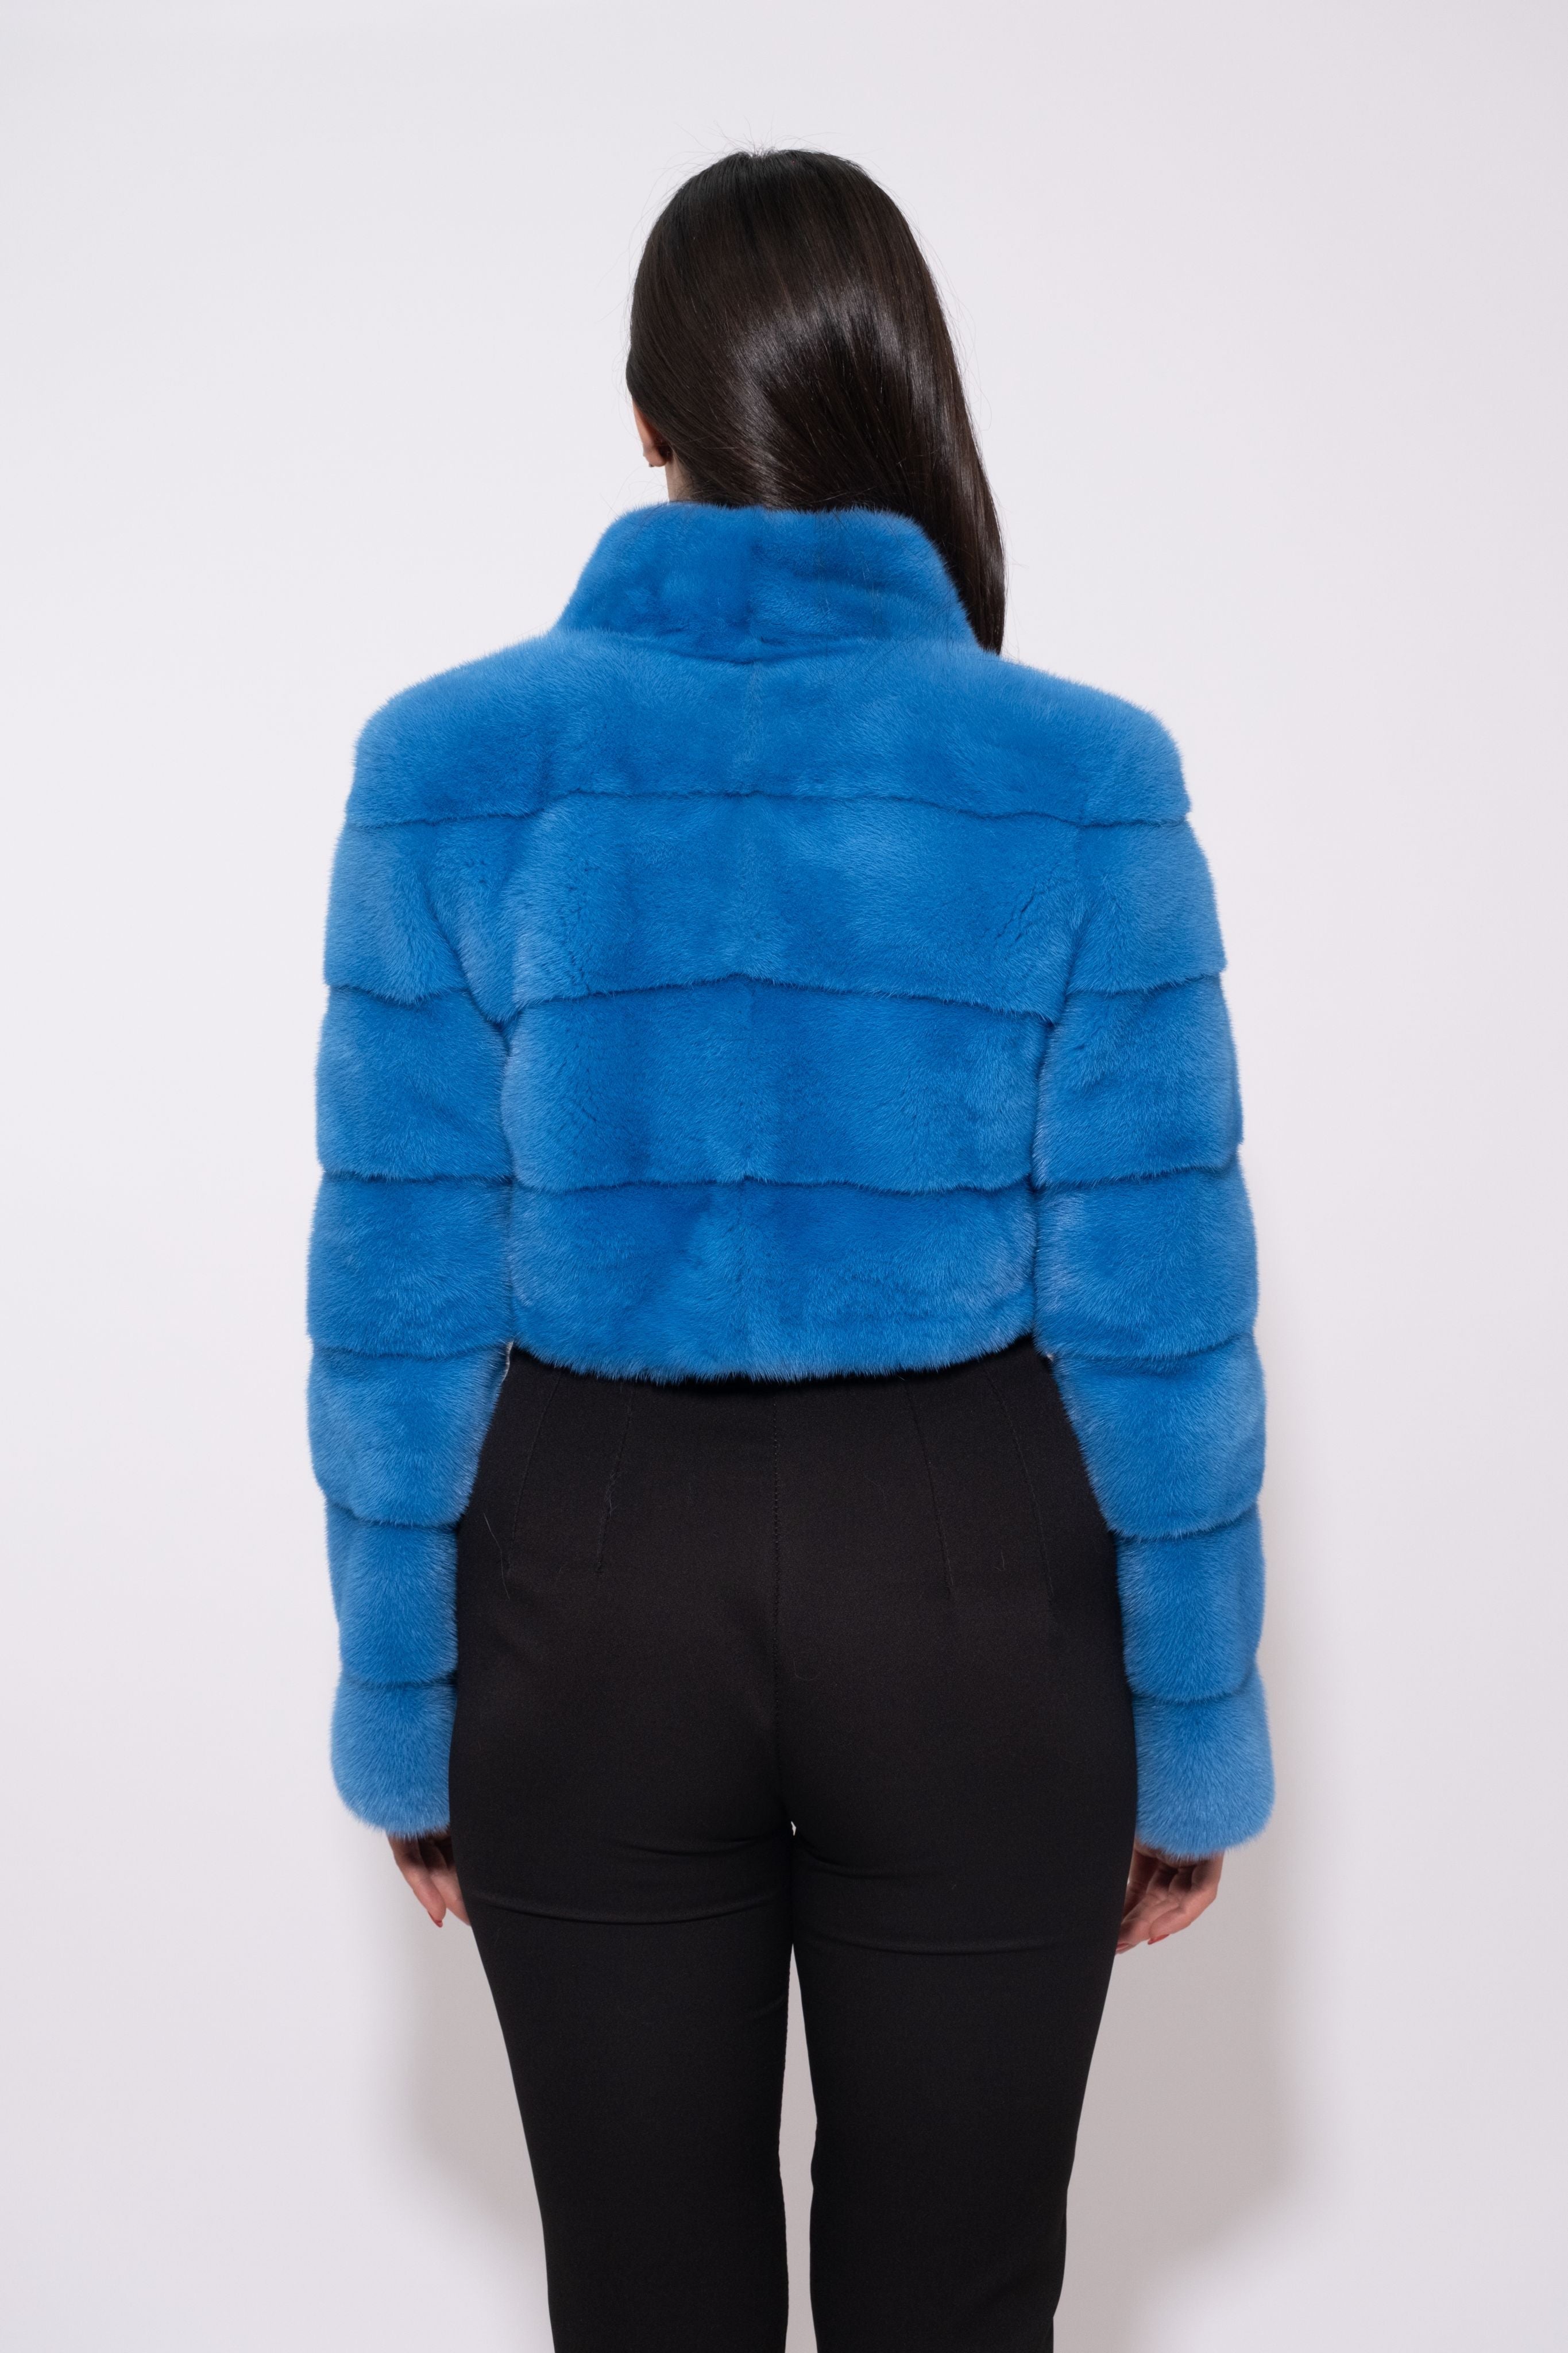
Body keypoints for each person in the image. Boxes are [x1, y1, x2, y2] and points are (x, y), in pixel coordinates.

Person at [308, 147, 1273, 2352]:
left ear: (645, 415)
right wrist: (1188, 1729)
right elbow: (1161, 1313)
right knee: (956, 2309)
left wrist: (412, 1710)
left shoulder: (451, 764)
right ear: (902, 391)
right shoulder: (1081, 773)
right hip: (970, 1581)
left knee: (641, 2306)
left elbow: (400, 1299)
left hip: (585, 1580)